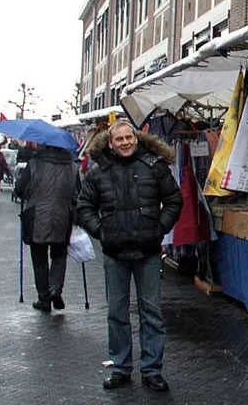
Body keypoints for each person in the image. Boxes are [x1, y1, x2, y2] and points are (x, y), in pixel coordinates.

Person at [77, 121, 182, 392]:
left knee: (152, 313)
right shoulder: (99, 171)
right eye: (119, 139)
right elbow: (84, 205)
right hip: (115, 253)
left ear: (136, 139)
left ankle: (152, 369)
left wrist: (159, 229)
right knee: (116, 312)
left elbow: (174, 200)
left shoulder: (154, 166)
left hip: (147, 252)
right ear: (110, 143)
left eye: (129, 137)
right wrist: (101, 232)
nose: (125, 142)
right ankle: (121, 366)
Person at [15, 145, 80, 312]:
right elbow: (77, 192)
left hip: (37, 216)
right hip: (62, 216)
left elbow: (20, 190)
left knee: (39, 258)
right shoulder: (72, 166)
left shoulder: (35, 163)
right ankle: (55, 288)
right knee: (60, 254)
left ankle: (44, 297)